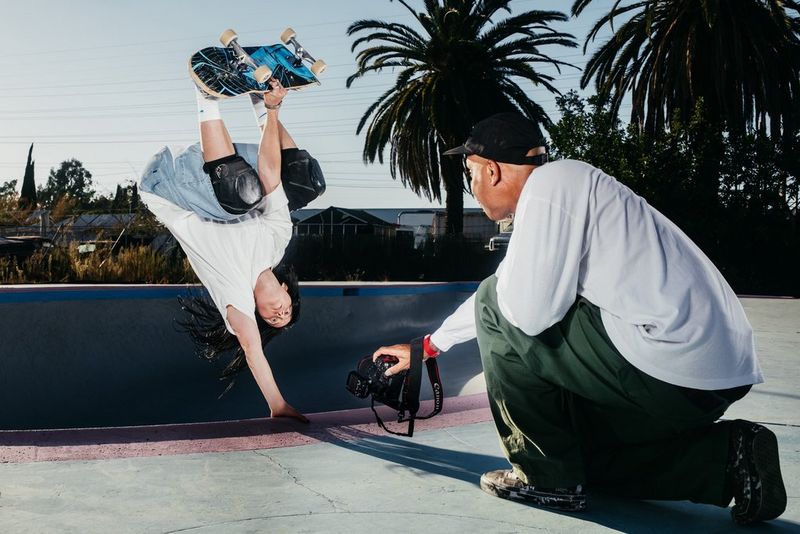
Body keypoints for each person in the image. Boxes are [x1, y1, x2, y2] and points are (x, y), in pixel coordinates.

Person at [372, 112, 786, 524]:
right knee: (580, 458)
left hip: (668, 362)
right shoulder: (565, 194)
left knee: (496, 304)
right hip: (710, 376)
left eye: (470, 174)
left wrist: (492, 309)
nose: (473, 188)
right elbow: (503, 286)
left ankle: (543, 478)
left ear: (492, 171)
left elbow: (515, 312)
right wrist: (426, 347)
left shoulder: (553, 184)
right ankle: (730, 459)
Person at [139, 81, 321, 423]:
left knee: (243, 196)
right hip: (203, 170)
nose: (281, 315)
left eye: (274, 319)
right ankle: (261, 97)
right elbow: (270, 173)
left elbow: (253, 351)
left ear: (259, 314)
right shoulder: (278, 240)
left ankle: (206, 96)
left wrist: (277, 404)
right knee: (304, 182)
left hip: (167, 186)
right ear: (286, 291)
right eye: (287, 312)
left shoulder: (236, 297)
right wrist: (273, 108)